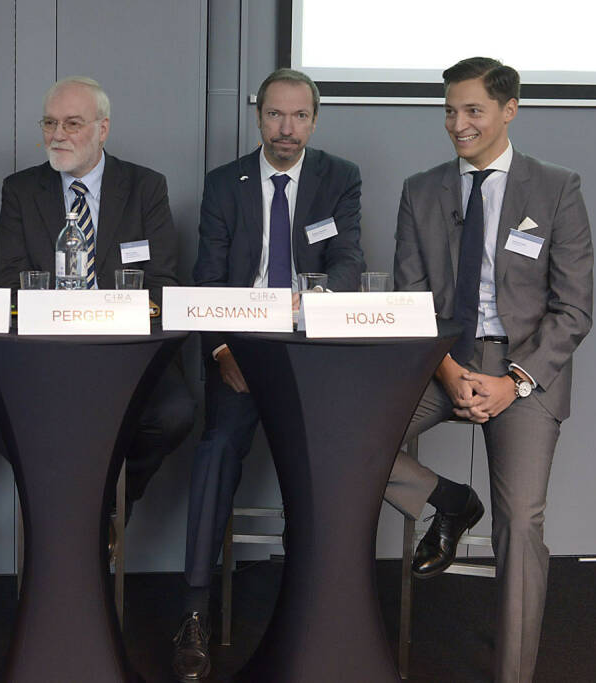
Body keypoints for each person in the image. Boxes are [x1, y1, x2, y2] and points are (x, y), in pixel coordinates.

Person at [383, 57, 592, 682]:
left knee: (522, 522)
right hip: (441, 360)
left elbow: (574, 309)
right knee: (353, 443)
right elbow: (409, 298)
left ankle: (512, 676)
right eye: (450, 110)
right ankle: (448, 501)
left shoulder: (556, 188)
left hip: (523, 372)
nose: (457, 124)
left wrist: (513, 381)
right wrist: (449, 372)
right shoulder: (422, 190)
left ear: (509, 109)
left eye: (472, 110)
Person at [178, 68, 365, 680]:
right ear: (258, 116)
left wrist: (306, 307)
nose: (287, 129)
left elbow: (346, 263)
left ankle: (310, 604)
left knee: (319, 463)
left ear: (315, 119)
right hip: (241, 350)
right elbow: (206, 278)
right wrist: (223, 350)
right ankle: (194, 613)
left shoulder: (339, 178)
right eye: (275, 116)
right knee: (215, 451)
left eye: (300, 116)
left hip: (309, 353)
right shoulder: (223, 184)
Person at [0, 76, 195, 528]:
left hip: (126, 352)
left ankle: (106, 506)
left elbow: (162, 281)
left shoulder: (145, 187)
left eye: (72, 123)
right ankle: (60, 510)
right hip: (45, 353)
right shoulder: (21, 191)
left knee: (174, 413)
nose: (57, 134)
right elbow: (9, 282)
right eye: (49, 123)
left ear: (103, 130)